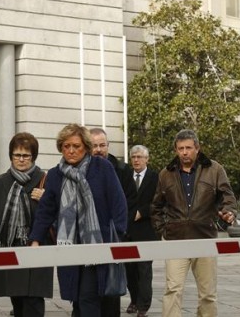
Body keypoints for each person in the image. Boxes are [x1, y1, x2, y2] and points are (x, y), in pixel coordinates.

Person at [29, 123, 127, 317]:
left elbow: (118, 203)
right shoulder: (56, 174)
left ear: (86, 147)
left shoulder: (102, 167)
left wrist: (118, 235)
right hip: (70, 247)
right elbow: (46, 210)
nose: (71, 150)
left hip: (98, 245)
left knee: (87, 297)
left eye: (76, 146)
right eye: (66, 146)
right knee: (77, 299)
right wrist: (35, 239)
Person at [151, 129, 238, 317]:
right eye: (180, 148)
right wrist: (162, 230)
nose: (184, 152)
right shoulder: (166, 174)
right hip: (175, 240)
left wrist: (229, 212)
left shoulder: (215, 169)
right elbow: (156, 206)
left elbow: (228, 197)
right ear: (175, 149)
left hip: (205, 238)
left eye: (188, 148)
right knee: (173, 290)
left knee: (208, 295)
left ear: (197, 148)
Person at [0, 132, 54, 317]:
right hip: (10, 249)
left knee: (34, 302)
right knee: (18, 302)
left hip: (37, 248)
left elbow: (58, 211)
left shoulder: (45, 180)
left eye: (26, 155)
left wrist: (45, 199)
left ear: (33, 156)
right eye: (17, 155)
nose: (21, 159)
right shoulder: (1, 182)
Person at [89, 128, 138, 316]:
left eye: (102, 145)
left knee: (111, 286)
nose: (99, 149)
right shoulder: (83, 168)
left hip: (114, 236)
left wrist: (119, 230)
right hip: (90, 235)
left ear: (108, 146)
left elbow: (130, 202)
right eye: (94, 146)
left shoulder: (123, 170)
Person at [122, 145, 159, 317]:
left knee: (144, 270)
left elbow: (159, 202)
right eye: (133, 157)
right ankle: (134, 300)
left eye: (139, 157)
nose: (136, 160)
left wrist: (142, 212)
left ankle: (143, 306)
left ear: (147, 159)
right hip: (128, 230)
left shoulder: (155, 177)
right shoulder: (125, 176)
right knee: (129, 269)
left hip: (146, 230)